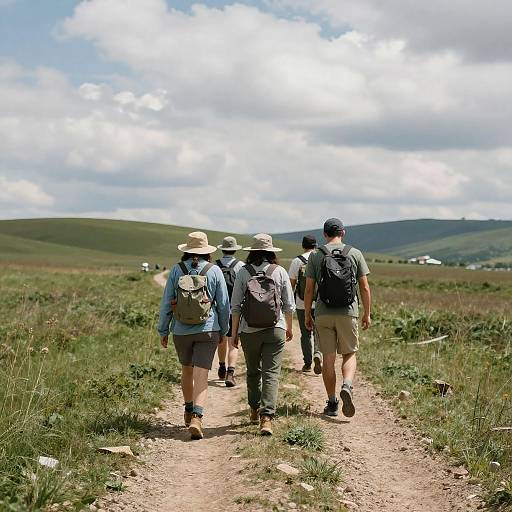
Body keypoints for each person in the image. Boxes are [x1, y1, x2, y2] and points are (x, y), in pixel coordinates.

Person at [158, 232, 230, 440]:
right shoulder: (214, 270)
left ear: (186, 250)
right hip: (208, 329)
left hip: (181, 331)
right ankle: (198, 417)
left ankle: (188, 410)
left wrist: (163, 330)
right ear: (207, 251)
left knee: (186, 370)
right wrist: (223, 331)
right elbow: (223, 305)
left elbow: (166, 304)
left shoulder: (176, 270)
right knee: (201, 374)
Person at [304, 218, 371, 418]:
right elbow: (365, 287)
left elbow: (309, 289)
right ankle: (347, 385)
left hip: (323, 313)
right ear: (343, 232)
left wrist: (308, 313)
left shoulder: (316, 255)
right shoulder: (355, 253)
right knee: (349, 353)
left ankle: (332, 402)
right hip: (347, 312)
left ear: (324, 234)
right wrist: (367, 313)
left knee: (328, 359)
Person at [231, 234, 295, 436]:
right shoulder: (280, 272)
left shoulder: (243, 272)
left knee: (252, 371)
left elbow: (235, 306)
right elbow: (289, 304)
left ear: (252, 252)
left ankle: (253, 408)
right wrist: (289, 327)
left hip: (249, 330)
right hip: (275, 329)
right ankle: (266, 418)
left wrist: (234, 334)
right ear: (271, 252)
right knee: (271, 374)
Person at [288, 235, 322, 374]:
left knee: (305, 333)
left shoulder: (297, 261)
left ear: (303, 245)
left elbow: (291, 285)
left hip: (302, 304)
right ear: (316, 245)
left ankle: (307, 364)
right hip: (320, 303)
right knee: (318, 333)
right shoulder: (321, 259)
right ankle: (318, 354)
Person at [215, 236, 245, 387]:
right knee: (233, 340)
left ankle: (221, 366)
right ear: (235, 249)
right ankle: (231, 373)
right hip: (235, 309)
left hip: (218, 308)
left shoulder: (214, 265)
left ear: (222, 249)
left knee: (221, 338)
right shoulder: (241, 265)